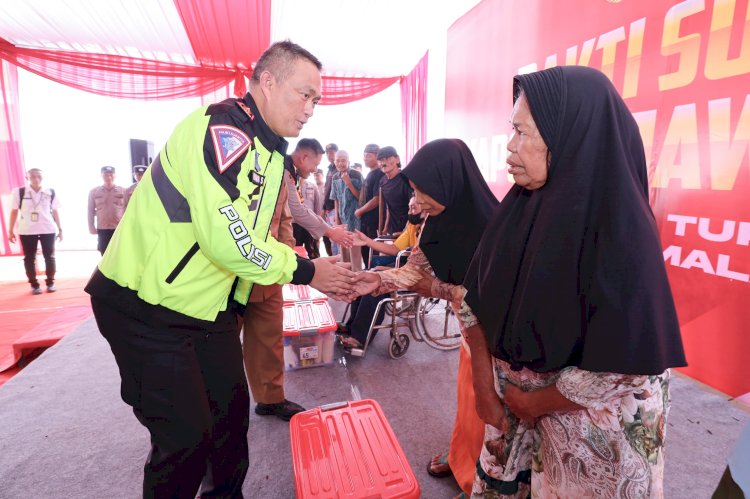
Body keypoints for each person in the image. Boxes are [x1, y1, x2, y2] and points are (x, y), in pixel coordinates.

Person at [85, 41, 356, 498]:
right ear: (267, 83)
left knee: (230, 423)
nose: (310, 109)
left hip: (206, 308)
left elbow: (251, 236)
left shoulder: (270, 155)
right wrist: (307, 270)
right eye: (303, 94)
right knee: (185, 439)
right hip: (145, 306)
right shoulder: (223, 130)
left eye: (317, 100)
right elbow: (225, 238)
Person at [457, 66, 687, 497]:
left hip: (591, 442)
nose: (510, 145)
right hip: (515, 419)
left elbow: (628, 363)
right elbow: (474, 298)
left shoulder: (622, 232)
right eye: (512, 130)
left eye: (523, 133)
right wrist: (484, 386)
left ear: (569, 138)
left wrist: (534, 402)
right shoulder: (518, 210)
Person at [349, 139, 499, 496]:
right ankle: (462, 458)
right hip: (467, 332)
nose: (415, 199)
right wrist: (378, 279)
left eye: (421, 189)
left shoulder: (495, 227)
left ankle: (483, 479)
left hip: (496, 340)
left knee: (488, 405)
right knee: (467, 402)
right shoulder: (435, 221)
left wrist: (438, 289)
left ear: (449, 182)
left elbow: (482, 297)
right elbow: (415, 271)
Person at [338, 196, 426, 350]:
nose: (410, 211)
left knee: (374, 287)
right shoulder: (412, 225)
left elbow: (416, 267)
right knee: (363, 277)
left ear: (425, 211)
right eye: (409, 207)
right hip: (405, 264)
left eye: (414, 208)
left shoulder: (430, 230)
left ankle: (359, 338)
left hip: (418, 272)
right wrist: (367, 241)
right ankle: (351, 326)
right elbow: (394, 249)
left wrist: (384, 272)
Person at [285, 138, 353, 259]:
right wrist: (331, 232)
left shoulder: (291, 171)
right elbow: (297, 211)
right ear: (304, 158)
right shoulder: (285, 172)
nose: (315, 170)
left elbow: (302, 208)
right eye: (315, 164)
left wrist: (329, 228)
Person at [8, 168, 62, 294]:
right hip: (27, 230)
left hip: (48, 229)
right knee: (29, 258)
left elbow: (55, 211)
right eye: (32, 176)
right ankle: (34, 284)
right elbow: (14, 211)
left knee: (50, 257)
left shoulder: (50, 192)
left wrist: (60, 229)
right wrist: (10, 231)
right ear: (27, 178)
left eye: (39, 176)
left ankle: (50, 282)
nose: (36, 179)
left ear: (43, 177)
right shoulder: (19, 192)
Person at [329, 149, 363, 270]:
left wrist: (348, 183)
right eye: (337, 160)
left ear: (349, 161)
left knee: (355, 251)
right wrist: (337, 219)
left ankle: (358, 277)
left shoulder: (356, 175)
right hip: (342, 219)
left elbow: (361, 198)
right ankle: (347, 279)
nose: (340, 163)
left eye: (343, 160)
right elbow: (336, 199)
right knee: (343, 252)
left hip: (354, 219)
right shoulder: (334, 177)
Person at [354, 143, 384, 265]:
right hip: (365, 221)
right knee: (365, 253)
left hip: (374, 222)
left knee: (373, 253)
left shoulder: (380, 174)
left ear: (377, 156)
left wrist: (360, 211)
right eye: (364, 155)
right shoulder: (369, 174)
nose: (365, 158)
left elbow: (377, 200)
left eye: (369, 156)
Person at [87, 165, 125, 255]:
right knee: (104, 252)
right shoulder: (94, 192)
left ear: (115, 176)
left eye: (111, 174)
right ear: (101, 176)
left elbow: (128, 210)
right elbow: (90, 211)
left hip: (118, 228)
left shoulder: (123, 191)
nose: (108, 177)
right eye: (105, 175)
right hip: (102, 228)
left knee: (119, 252)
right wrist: (91, 227)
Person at [376, 146, 411, 235]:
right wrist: (385, 228)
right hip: (392, 229)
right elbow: (388, 206)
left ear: (397, 159)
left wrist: (406, 230)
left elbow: (415, 207)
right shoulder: (382, 181)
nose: (383, 163)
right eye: (380, 160)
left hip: (409, 228)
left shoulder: (406, 179)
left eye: (387, 158)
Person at [321, 142, 338, 256]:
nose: (329, 155)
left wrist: (337, 211)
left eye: (331, 152)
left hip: (335, 208)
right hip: (328, 209)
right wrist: (323, 207)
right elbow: (326, 191)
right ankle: (335, 262)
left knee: (336, 238)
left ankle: (340, 264)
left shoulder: (339, 168)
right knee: (331, 239)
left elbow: (337, 194)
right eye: (327, 153)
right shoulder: (330, 169)